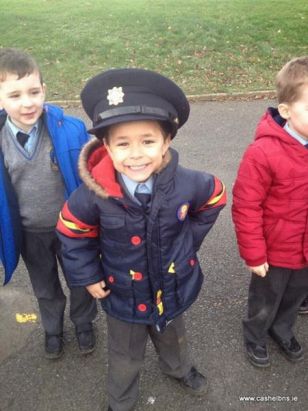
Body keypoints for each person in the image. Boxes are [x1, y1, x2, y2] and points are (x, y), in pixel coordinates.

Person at [56, 68, 226, 411]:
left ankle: (179, 369)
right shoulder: (94, 194)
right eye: (122, 143)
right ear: (105, 146)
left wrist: (187, 243)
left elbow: (215, 198)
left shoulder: (189, 183)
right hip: (123, 294)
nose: (135, 155)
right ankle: (121, 400)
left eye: (148, 141)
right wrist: (87, 276)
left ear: (167, 141)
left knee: (174, 338)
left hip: (172, 285)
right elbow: (72, 233)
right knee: (124, 355)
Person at [0, 48, 97, 359]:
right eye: (14, 95)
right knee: (45, 287)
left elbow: (91, 177)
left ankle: (84, 323)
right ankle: (52, 329)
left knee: (81, 280)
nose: (27, 102)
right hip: (30, 233)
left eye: (33, 91)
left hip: (71, 229)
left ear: (44, 89)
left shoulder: (70, 130)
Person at [232, 56, 308, 368]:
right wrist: (254, 254)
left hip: (304, 250)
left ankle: (282, 328)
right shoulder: (263, 152)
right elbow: (246, 206)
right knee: (265, 299)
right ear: (286, 111)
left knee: (294, 298)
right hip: (274, 252)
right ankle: (256, 334)